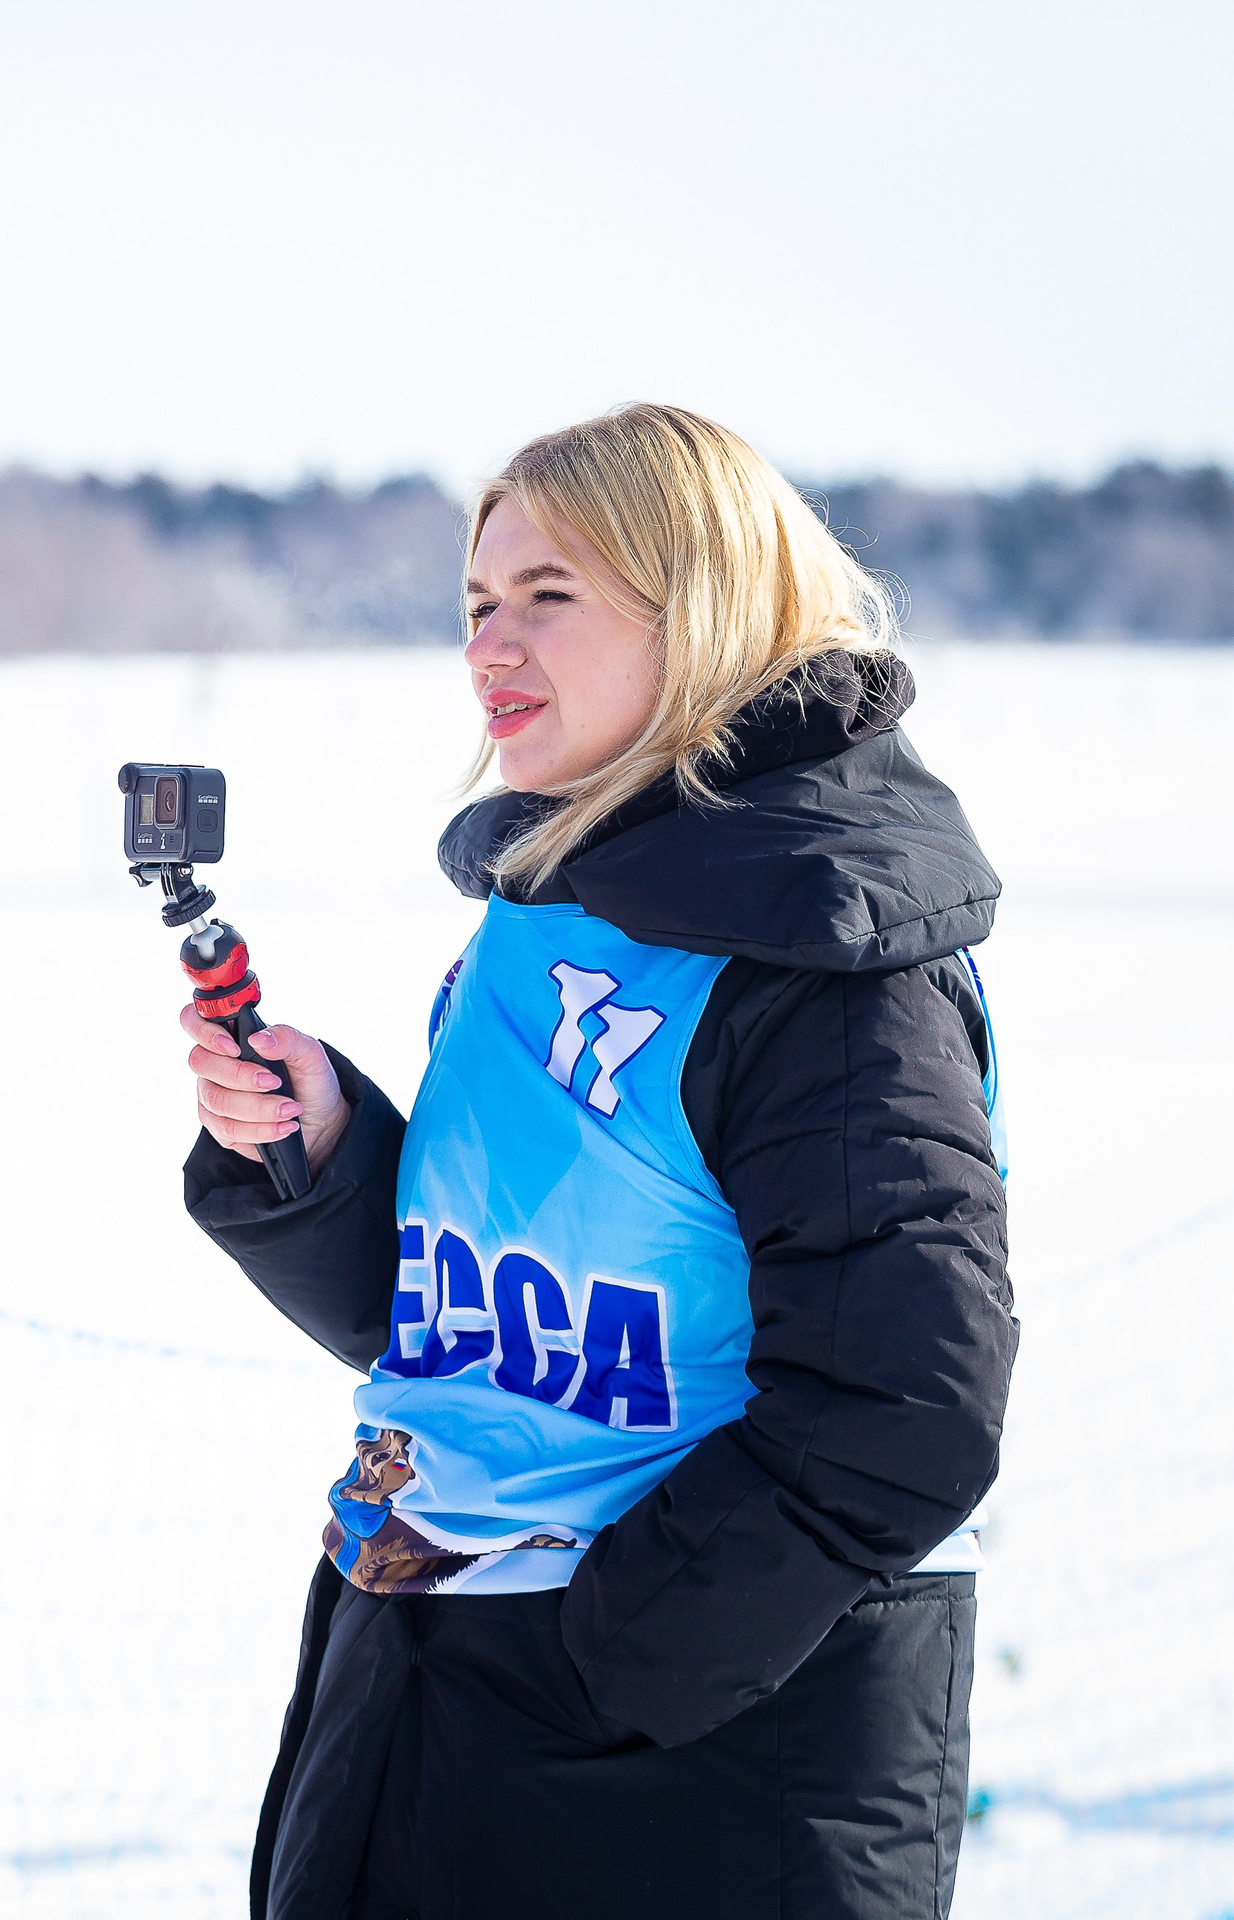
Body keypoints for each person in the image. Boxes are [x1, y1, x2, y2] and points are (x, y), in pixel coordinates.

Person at [180, 404, 1016, 1919]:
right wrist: (320, 1161)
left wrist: (602, 1657)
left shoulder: (826, 964)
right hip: (435, 1690)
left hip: (681, 1762)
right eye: (477, 605)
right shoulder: (546, 910)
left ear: (699, 609)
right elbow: (476, 1327)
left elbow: (904, 1411)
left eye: (548, 598)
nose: (490, 646)